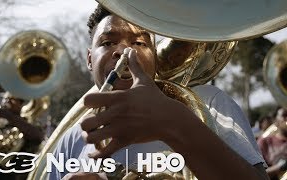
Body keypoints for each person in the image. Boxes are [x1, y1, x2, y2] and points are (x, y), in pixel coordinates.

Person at [48, 5, 269, 180]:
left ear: (154, 55)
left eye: (139, 42)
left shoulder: (208, 102)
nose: (124, 52)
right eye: (107, 43)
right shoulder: (71, 139)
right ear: (89, 59)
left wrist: (175, 124)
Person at [258, 108, 287, 179]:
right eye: (284, 115)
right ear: (276, 121)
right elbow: (256, 173)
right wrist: (280, 167)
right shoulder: (265, 142)